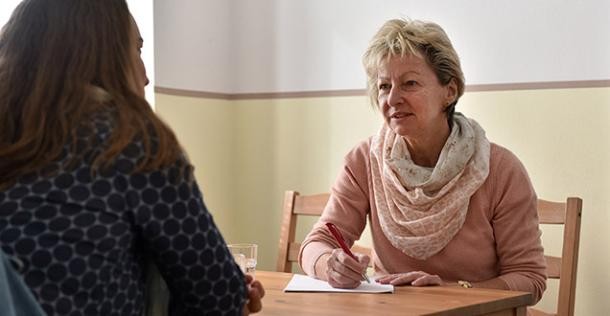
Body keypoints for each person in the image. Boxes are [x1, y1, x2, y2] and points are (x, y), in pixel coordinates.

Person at [0, 0, 263, 315]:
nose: (146, 77)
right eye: (137, 51)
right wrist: (236, 292)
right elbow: (214, 293)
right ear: (103, 57)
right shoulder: (127, 139)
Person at [299, 18, 547, 303]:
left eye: (410, 83)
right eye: (383, 86)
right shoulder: (363, 161)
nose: (392, 98)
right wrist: (328, 264)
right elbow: (316, 244)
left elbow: (529, 278)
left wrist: (451, 292)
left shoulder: (501, 170)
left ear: (449, 91)